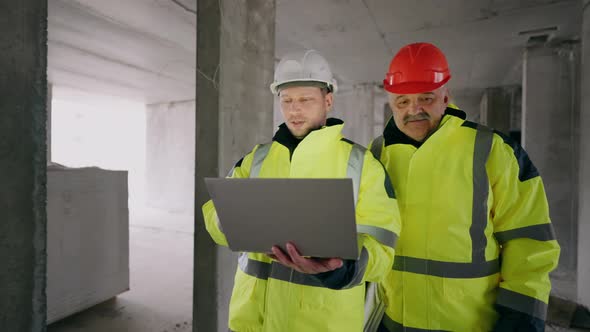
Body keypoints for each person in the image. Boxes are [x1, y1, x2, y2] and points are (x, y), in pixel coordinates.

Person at [202, 49, 402, 332]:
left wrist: (341, 268)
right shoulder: (256, 159)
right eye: (287, 100)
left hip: (324, 324)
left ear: (328, 100)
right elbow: (212, 214)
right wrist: (228, 220)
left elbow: (382, 248)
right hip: (253, 323)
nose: (294, 110)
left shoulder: (361, 165)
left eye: (306, 100)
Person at [370, 42, 560, 331]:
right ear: (391, 102)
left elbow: (529, 241)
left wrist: (521, 320)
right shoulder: (377, 154)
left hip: (470, 325)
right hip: (395, 322)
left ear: (446, 96)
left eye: (426, 98)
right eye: (402, 102)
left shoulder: (494, 150)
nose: (414, 110)